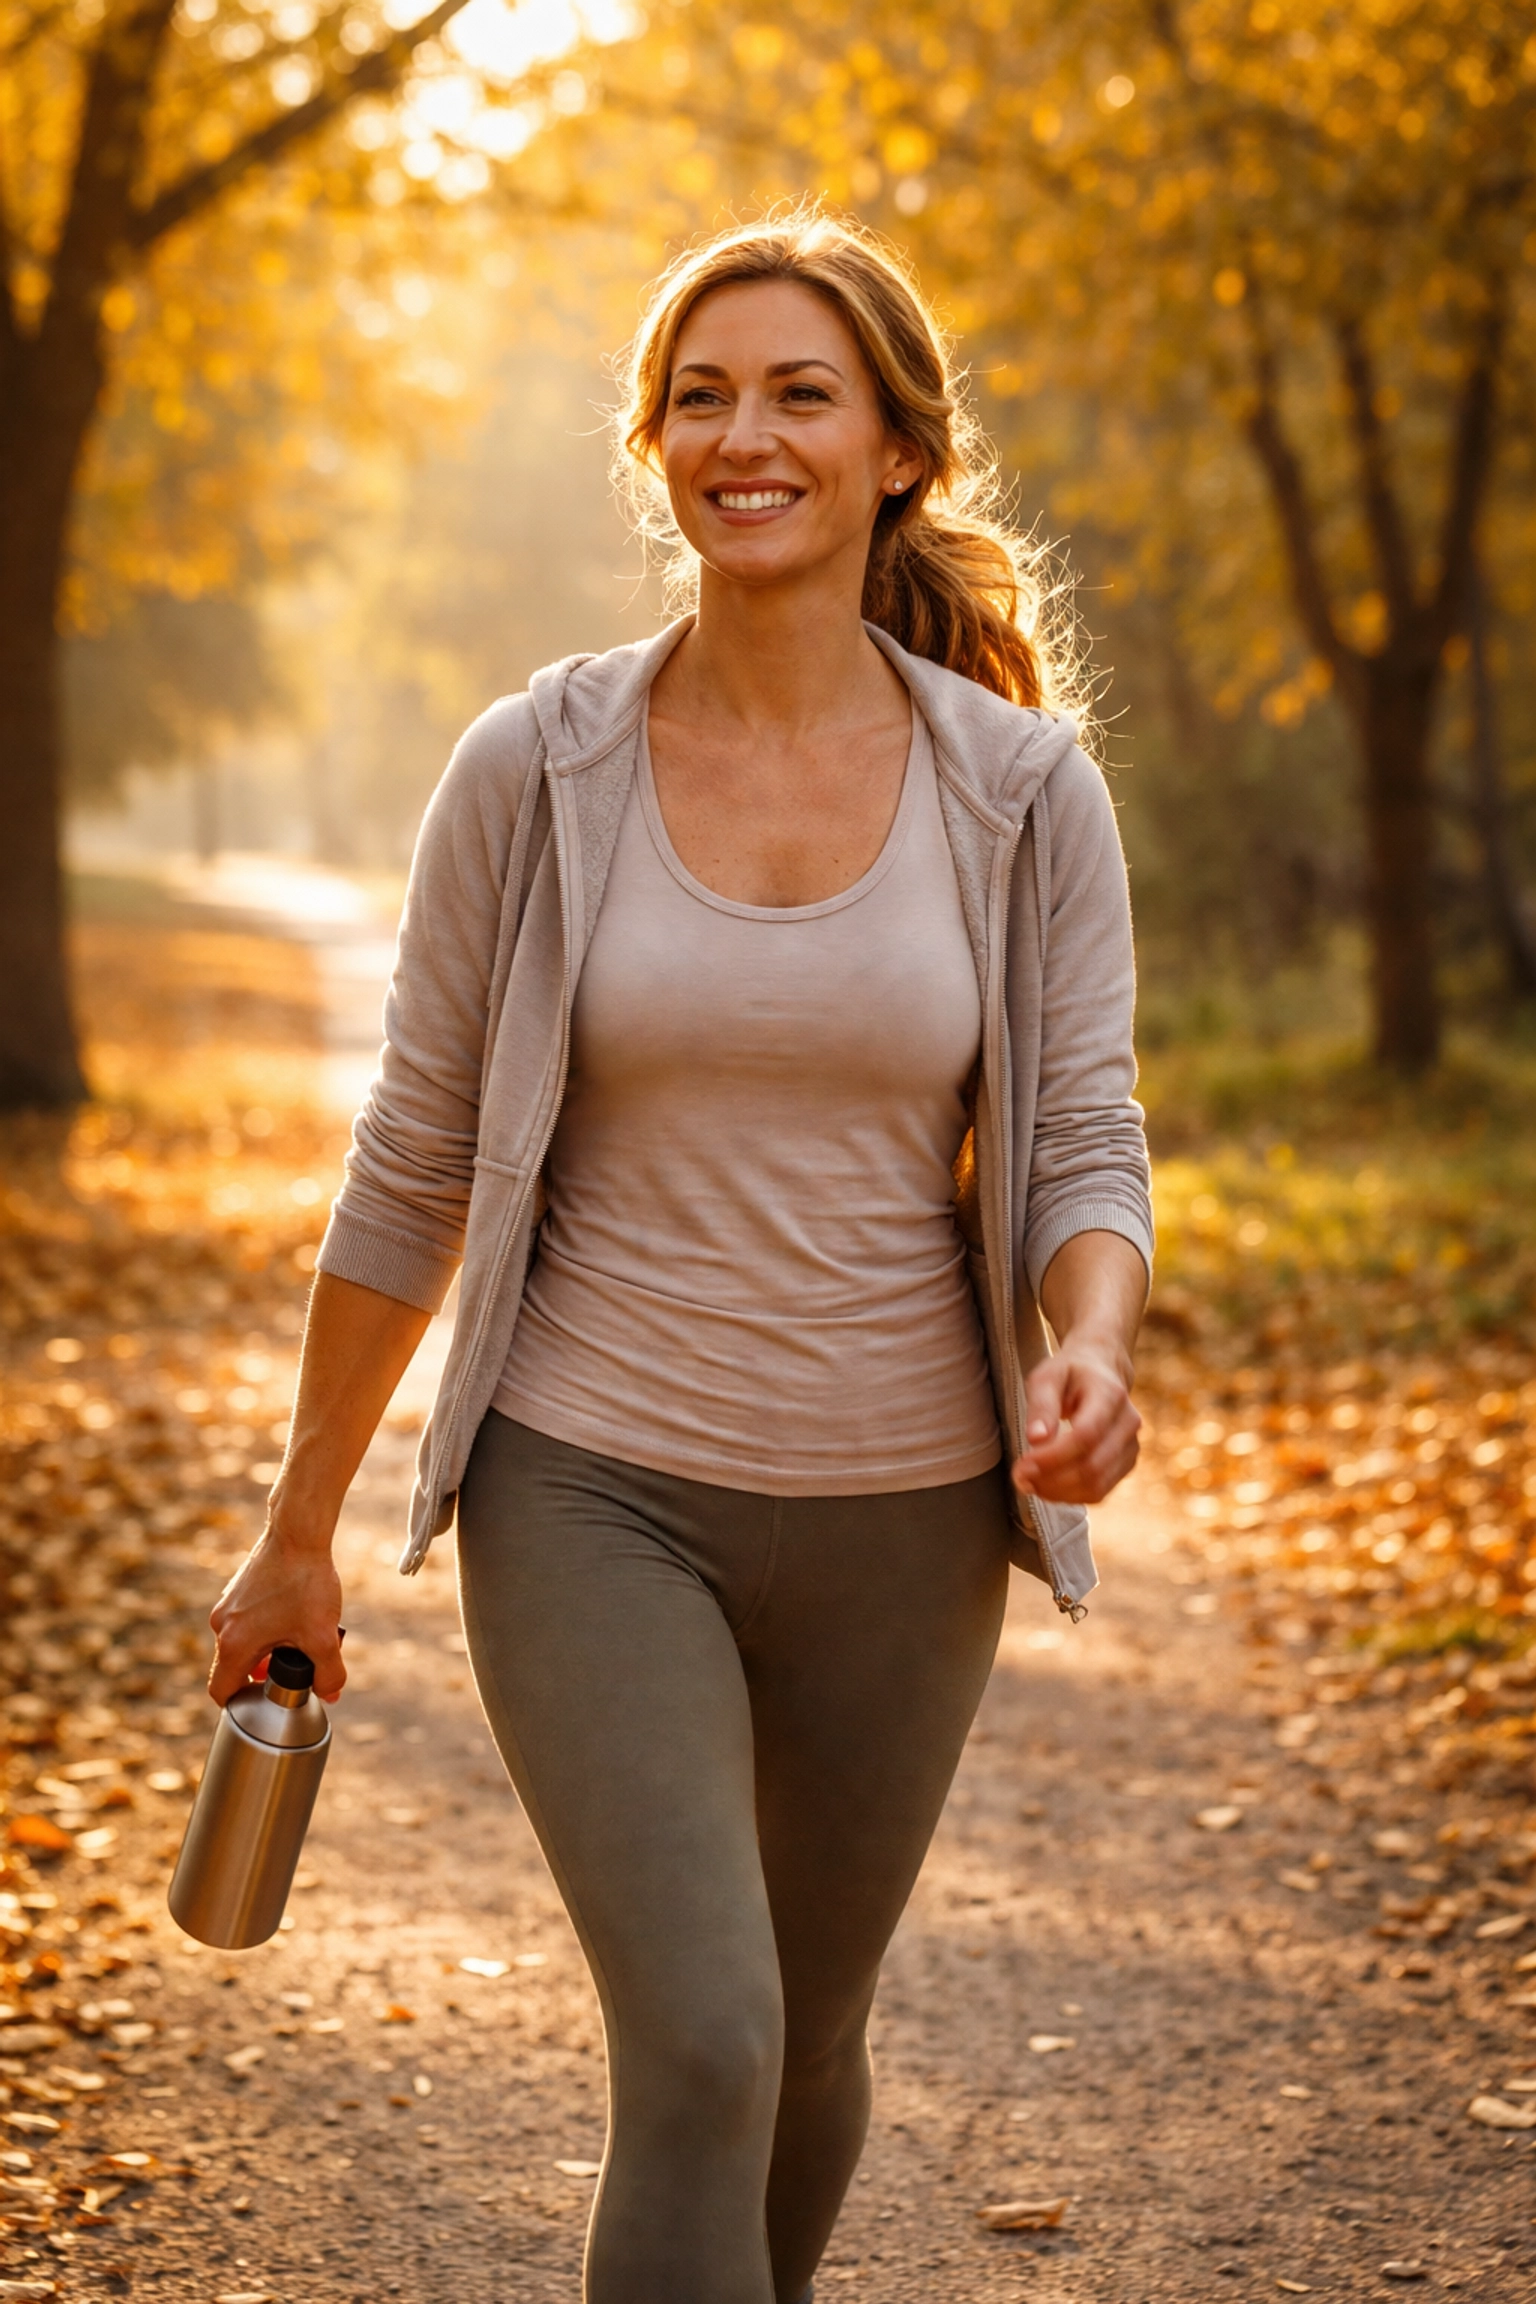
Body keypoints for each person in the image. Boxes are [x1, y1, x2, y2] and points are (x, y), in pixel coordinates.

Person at [209, 209, 1153, 2304]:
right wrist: (298, 1529)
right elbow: (414, 1161)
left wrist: (1090, 1340)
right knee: (709, 2044)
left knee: (809, 2051)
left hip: (905, 1518)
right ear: (652, 445)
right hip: (594, 1488)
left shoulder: (1020, 793)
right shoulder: (534, 773)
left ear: (897, 447)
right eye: (701, 395)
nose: (748, 433)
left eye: (801, 392)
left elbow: (1084, 1135)